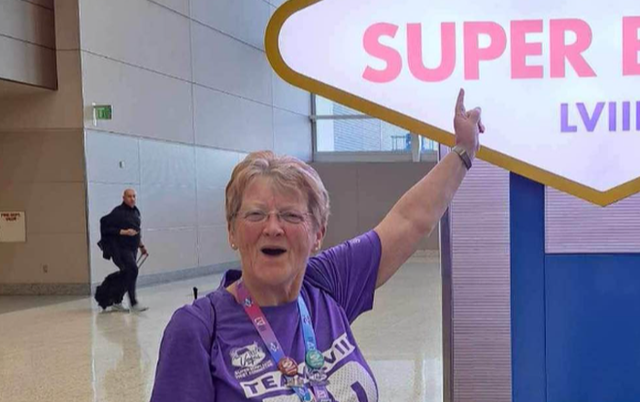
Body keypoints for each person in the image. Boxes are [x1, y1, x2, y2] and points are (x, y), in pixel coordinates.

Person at [150, 89, 484, 402]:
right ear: (232, 231)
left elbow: (409, 220)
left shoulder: (327, 284)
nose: (273, 228)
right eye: (255, 214)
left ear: (317, 234)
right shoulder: (198, 328)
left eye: (291, 216)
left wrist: (463, 151)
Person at [98, 188, 150, 312]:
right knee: (133, 270)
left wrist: (141, 246)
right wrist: (123, 232)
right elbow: (106, 227)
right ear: (123, 198)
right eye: (129, 196)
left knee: (128, 274)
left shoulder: (136, 212)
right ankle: (133, 303)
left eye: (134, 196)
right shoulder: (118, 212)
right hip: (120, 249)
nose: (132, 199)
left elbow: (137, 232)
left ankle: (116, 300)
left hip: (132, 249)